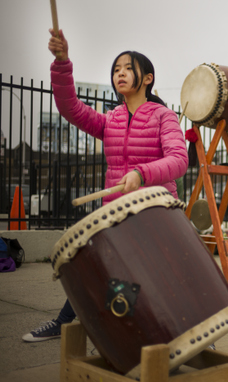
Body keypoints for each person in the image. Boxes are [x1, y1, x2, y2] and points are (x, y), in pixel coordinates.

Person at [22, 29, 188, 342]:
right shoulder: (110, 120)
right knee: (96, 268)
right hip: (116, 213)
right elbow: (71, 108)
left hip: (155, 213)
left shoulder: (164, 116)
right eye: (116, 69)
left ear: (148, 78)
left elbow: (179, 160)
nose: (120, 73)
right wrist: (61, 63)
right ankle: (74, 325)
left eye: (128, 68)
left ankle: (172, 331)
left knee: (146, 278)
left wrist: (141, 173)